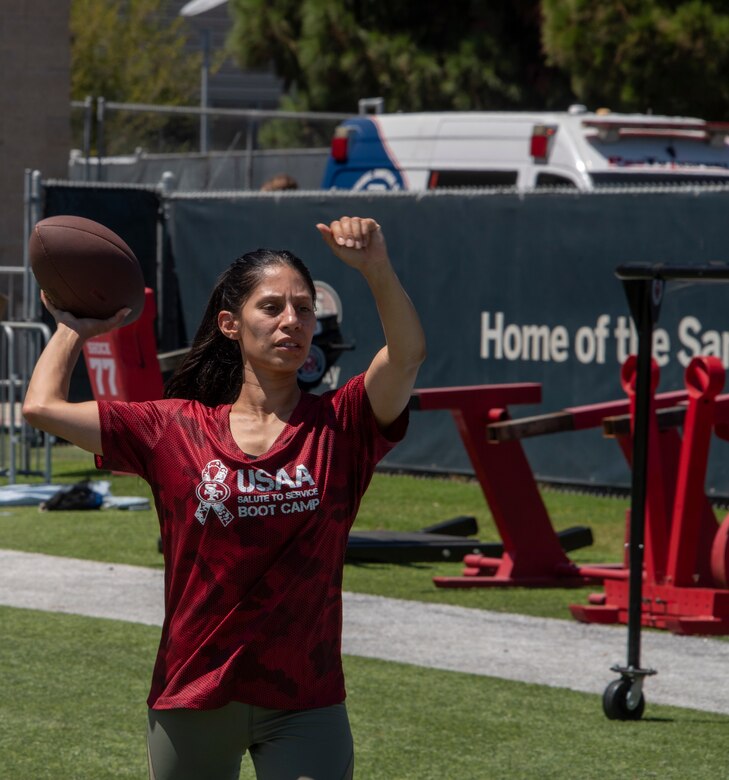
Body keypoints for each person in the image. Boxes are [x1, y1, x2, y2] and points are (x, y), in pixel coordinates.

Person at [22, 216, 426, 780]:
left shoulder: (342, 423)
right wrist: (73, 326)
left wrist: (376, 267)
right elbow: (41, 408)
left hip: (304, 700)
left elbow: (406, 356)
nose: (292, 321)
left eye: (304, 308)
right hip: (192, 694)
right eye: (273, 307)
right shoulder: (172, 429)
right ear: (230, 324)